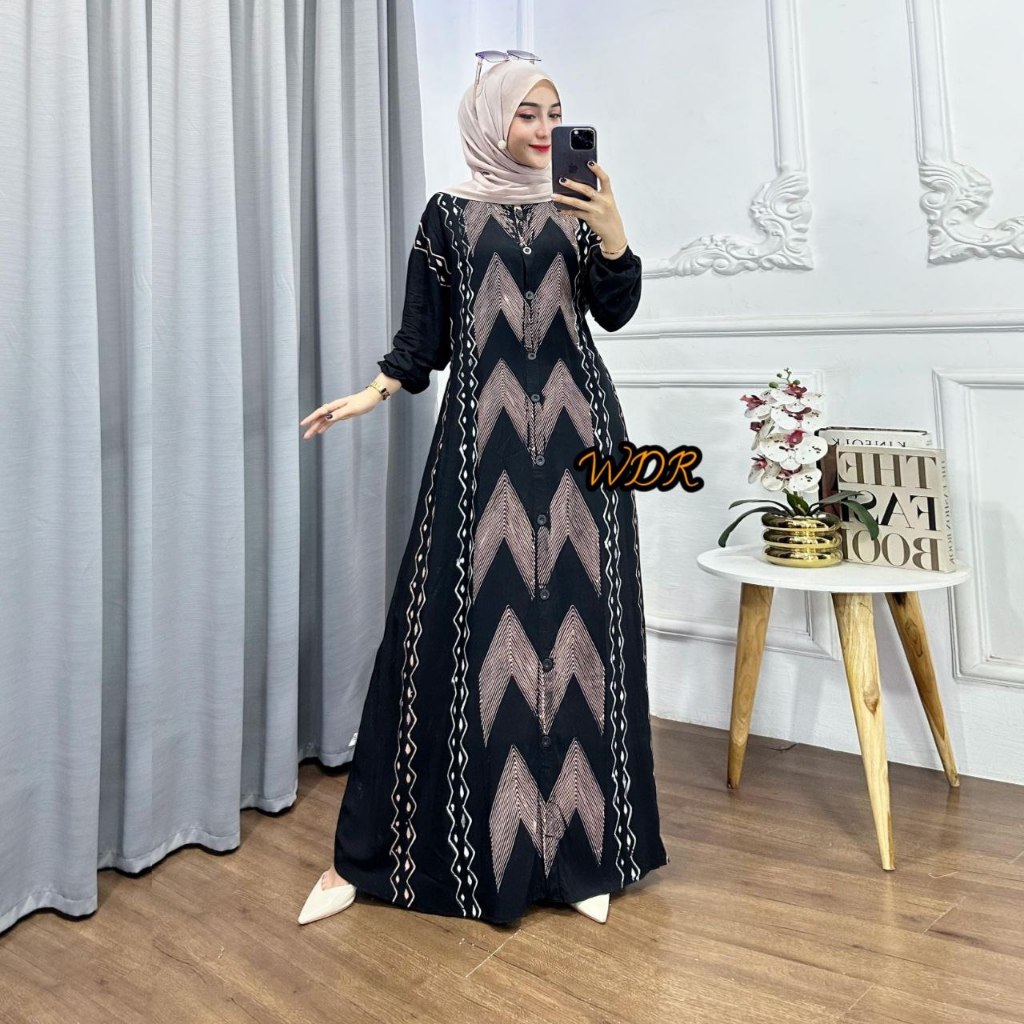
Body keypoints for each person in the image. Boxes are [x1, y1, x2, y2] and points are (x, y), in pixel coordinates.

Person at [297, 54, 668, 927]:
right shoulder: (448, 214)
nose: (543, 130)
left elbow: (614, 313)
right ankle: (391, 852)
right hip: (480, 446)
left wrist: (614, 234)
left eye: (555, 114)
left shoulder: (579, 208)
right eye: (526, 114)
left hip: (582, 441)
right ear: (490, 119)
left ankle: (582, 852)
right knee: (455, 632)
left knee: (580, 634)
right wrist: (375, 390)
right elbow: (422, 336)